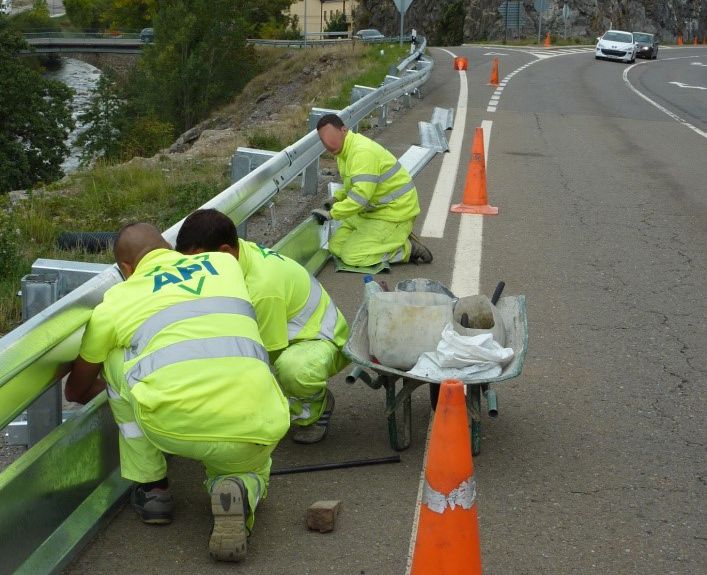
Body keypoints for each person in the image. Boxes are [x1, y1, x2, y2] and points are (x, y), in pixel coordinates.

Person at [65, 222, 289, 563]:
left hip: (173, 426)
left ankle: (153, 489)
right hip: (260, 419)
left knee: (115, 357)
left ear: (125, 269)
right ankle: (238, 489)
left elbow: (77, 390)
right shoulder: (225, 264)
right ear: (169, 248)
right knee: (248, 467)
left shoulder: (114, 304)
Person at [175, 209, 350, 444]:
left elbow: (262, 359)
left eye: (198, 262)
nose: (194, 271)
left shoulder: (262, 289)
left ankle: (313, 409)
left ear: (225, 251)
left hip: (319, 340)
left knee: (292, 371)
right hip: (287, 331)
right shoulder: (237, 255)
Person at [312, 113, 433, 268]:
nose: (329, 143)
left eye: (331, 136)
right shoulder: (343, 153)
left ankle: (406, 249)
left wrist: (331, 214)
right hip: (373, 212)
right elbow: (354, 185)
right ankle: (390, 240)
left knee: (352, 256)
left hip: (394, 213)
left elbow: (360, 198)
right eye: (324, 140)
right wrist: (336, 198)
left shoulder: (362, 153)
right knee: (336, 247)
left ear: (344, 130)